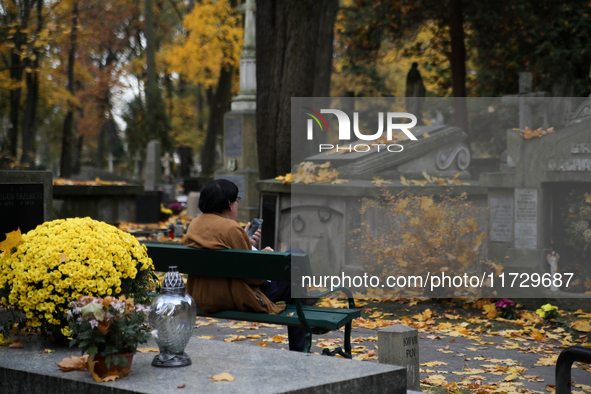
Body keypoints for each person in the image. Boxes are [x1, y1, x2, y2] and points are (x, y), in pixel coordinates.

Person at [184, 179, 305, 351]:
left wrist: (246, 243)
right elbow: (255, 278)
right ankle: (300, 344)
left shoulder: (194, 224)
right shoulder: (231, 229)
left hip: (201, 295)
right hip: (233, 297)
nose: (237, 205)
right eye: (236, 200)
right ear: (229, 204)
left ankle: (303, 316)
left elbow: (222, 252)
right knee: (296, 259)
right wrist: (267, 254)